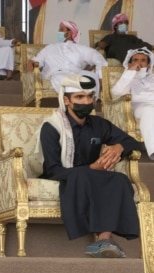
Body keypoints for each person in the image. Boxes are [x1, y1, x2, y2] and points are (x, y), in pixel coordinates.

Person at [38, 73, 142, 258]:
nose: (86, 101)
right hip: (63, 174)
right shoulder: (52, 127)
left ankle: (103, 239)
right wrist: (91, 169)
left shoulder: (99, 124)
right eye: (79, 97)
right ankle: (103, 240)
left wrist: (119, 146)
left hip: (92, 173)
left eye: (89, 97)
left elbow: (132, 142)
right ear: (66, 100)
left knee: (119, 179)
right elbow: (52, 169)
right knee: (84, 176)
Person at [27, 21, 107, 94]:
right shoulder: (50, 48)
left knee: (92, 76)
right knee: (61, 79)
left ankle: (84, 99)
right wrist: (31, 63)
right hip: (57, 74)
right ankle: (77, 97)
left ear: (69, 33)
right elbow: (36, 61)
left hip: (77, 74)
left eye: (61, 30)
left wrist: (100, 77)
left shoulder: (81, 48)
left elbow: (99, 58)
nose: (58, 32)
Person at [111, 47, 154, 159]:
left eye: (143, 60)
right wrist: (130, 72)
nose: (139, 63)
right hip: (141, 108)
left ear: (149, 65)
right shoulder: (127, 77)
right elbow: (117, 92)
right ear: (130, 63)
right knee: (149, 110)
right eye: (135, 60)